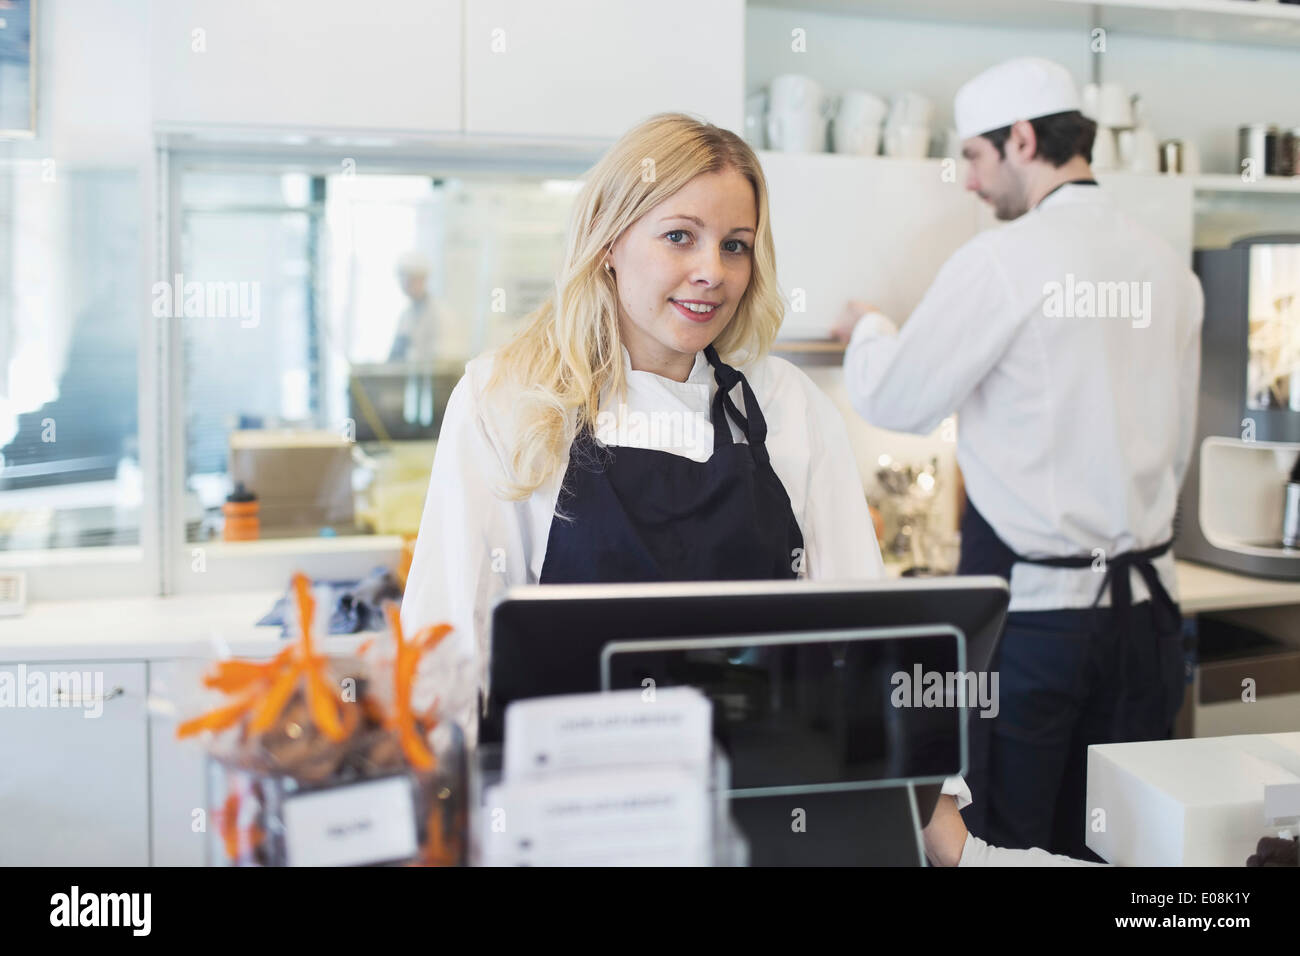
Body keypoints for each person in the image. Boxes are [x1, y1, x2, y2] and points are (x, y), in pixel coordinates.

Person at [402, 111, 1010, 865]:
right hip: (568, 832)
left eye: (735, 247)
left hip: (768, 822)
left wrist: (957, 843)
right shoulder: (506, 398)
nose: (711, 272)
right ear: (610, 241)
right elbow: (448, 647)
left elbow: (872, 646)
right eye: (679, 236)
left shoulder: (788, 407)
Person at [832, 58, 1204, 859]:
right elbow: (1171, 441)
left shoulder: (1002, 262)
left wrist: (867, 327)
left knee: (1005, 846)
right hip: (1150, 623)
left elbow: (896, 400)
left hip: (1039, 631)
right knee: (1130, 851)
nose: (967, 181)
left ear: (1023, 140)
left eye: (972, 155)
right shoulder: (1168, 265)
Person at [388, 251, 448, 363]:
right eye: (402, 278)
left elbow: (442, 357)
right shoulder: (406, 315)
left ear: (422, 279)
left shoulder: (439, 313)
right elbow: (395, 356)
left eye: (410, 279)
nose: (404, 284)